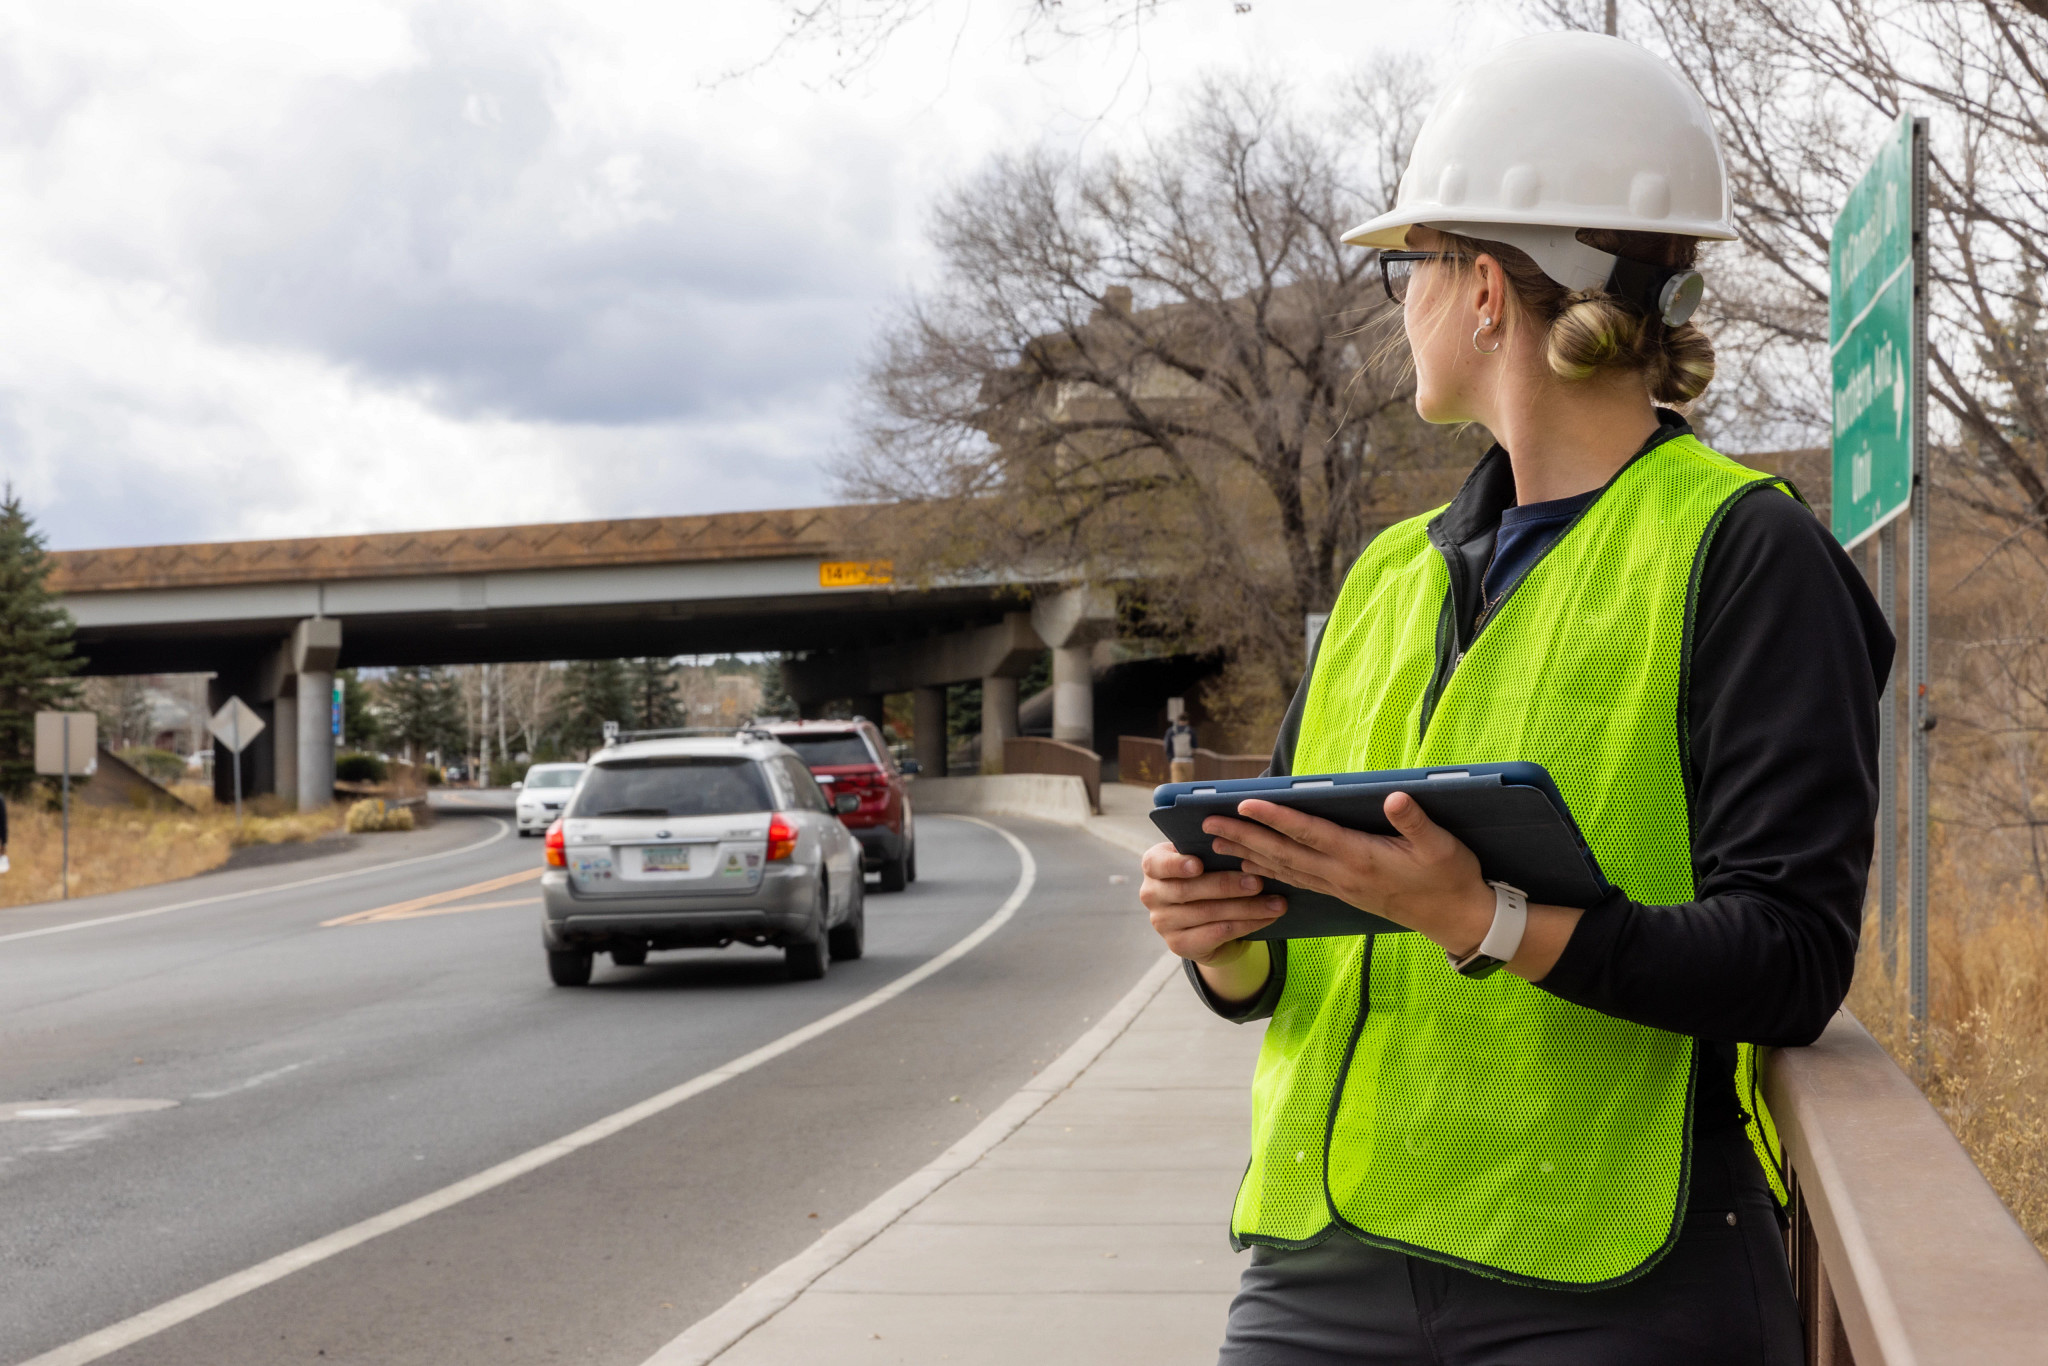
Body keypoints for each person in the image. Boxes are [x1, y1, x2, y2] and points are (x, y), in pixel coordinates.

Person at [1139, 32, 1891, 1366]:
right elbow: (1288, 961)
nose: (1398, 303)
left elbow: (1789, 958)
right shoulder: (1385, 576)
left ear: (1483, 288)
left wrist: (1484, 919)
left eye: (1406, 267)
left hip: (1612, 1277)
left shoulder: (1744, 552)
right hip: (1321, 1271)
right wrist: (1222, 934)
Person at [1164, 698, 1199, 784]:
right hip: (1188, 761)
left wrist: (1170, 759)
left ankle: (1177, 797)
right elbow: (1195, 746)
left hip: (1176, 761)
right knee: (1188, 784)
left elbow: (1167, 747)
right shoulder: (1191, 731)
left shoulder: (1171, 731)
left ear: (1178, 720)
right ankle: (1187, 798)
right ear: (1187, 721)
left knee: (1176, 784)